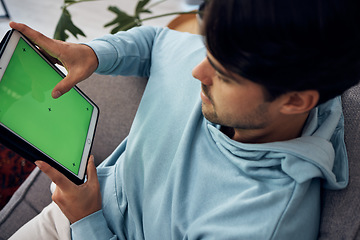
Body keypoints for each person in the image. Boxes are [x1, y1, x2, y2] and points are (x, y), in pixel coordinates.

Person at [8, 0, 360, 239]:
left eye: (223, 75)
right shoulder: (241, 53)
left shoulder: (260, 222)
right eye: (207, 48)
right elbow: (159, 42)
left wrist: (87, 219)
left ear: (295, 100)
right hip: (69, 215)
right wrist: (92, 54)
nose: (197, 71)